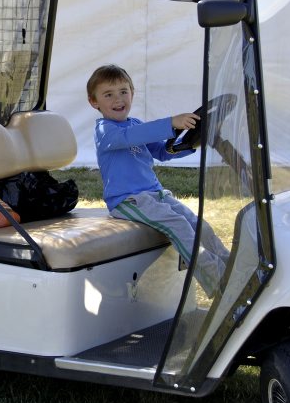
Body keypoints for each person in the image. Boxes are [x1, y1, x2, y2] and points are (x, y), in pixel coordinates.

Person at [86, 64, 229, 294]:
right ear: (94, 102)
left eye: (124, 91)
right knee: (180, 226)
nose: (118, 99)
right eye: (108, 94)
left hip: (156, 194)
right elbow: (130, 137)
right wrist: (171, 122)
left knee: (197, 224)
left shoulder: (135, 124)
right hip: (128, 201)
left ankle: (232, 267)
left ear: (132, 93)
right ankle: (219, 281)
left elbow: (163, 151)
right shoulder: (105, 132)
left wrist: (193, 142)